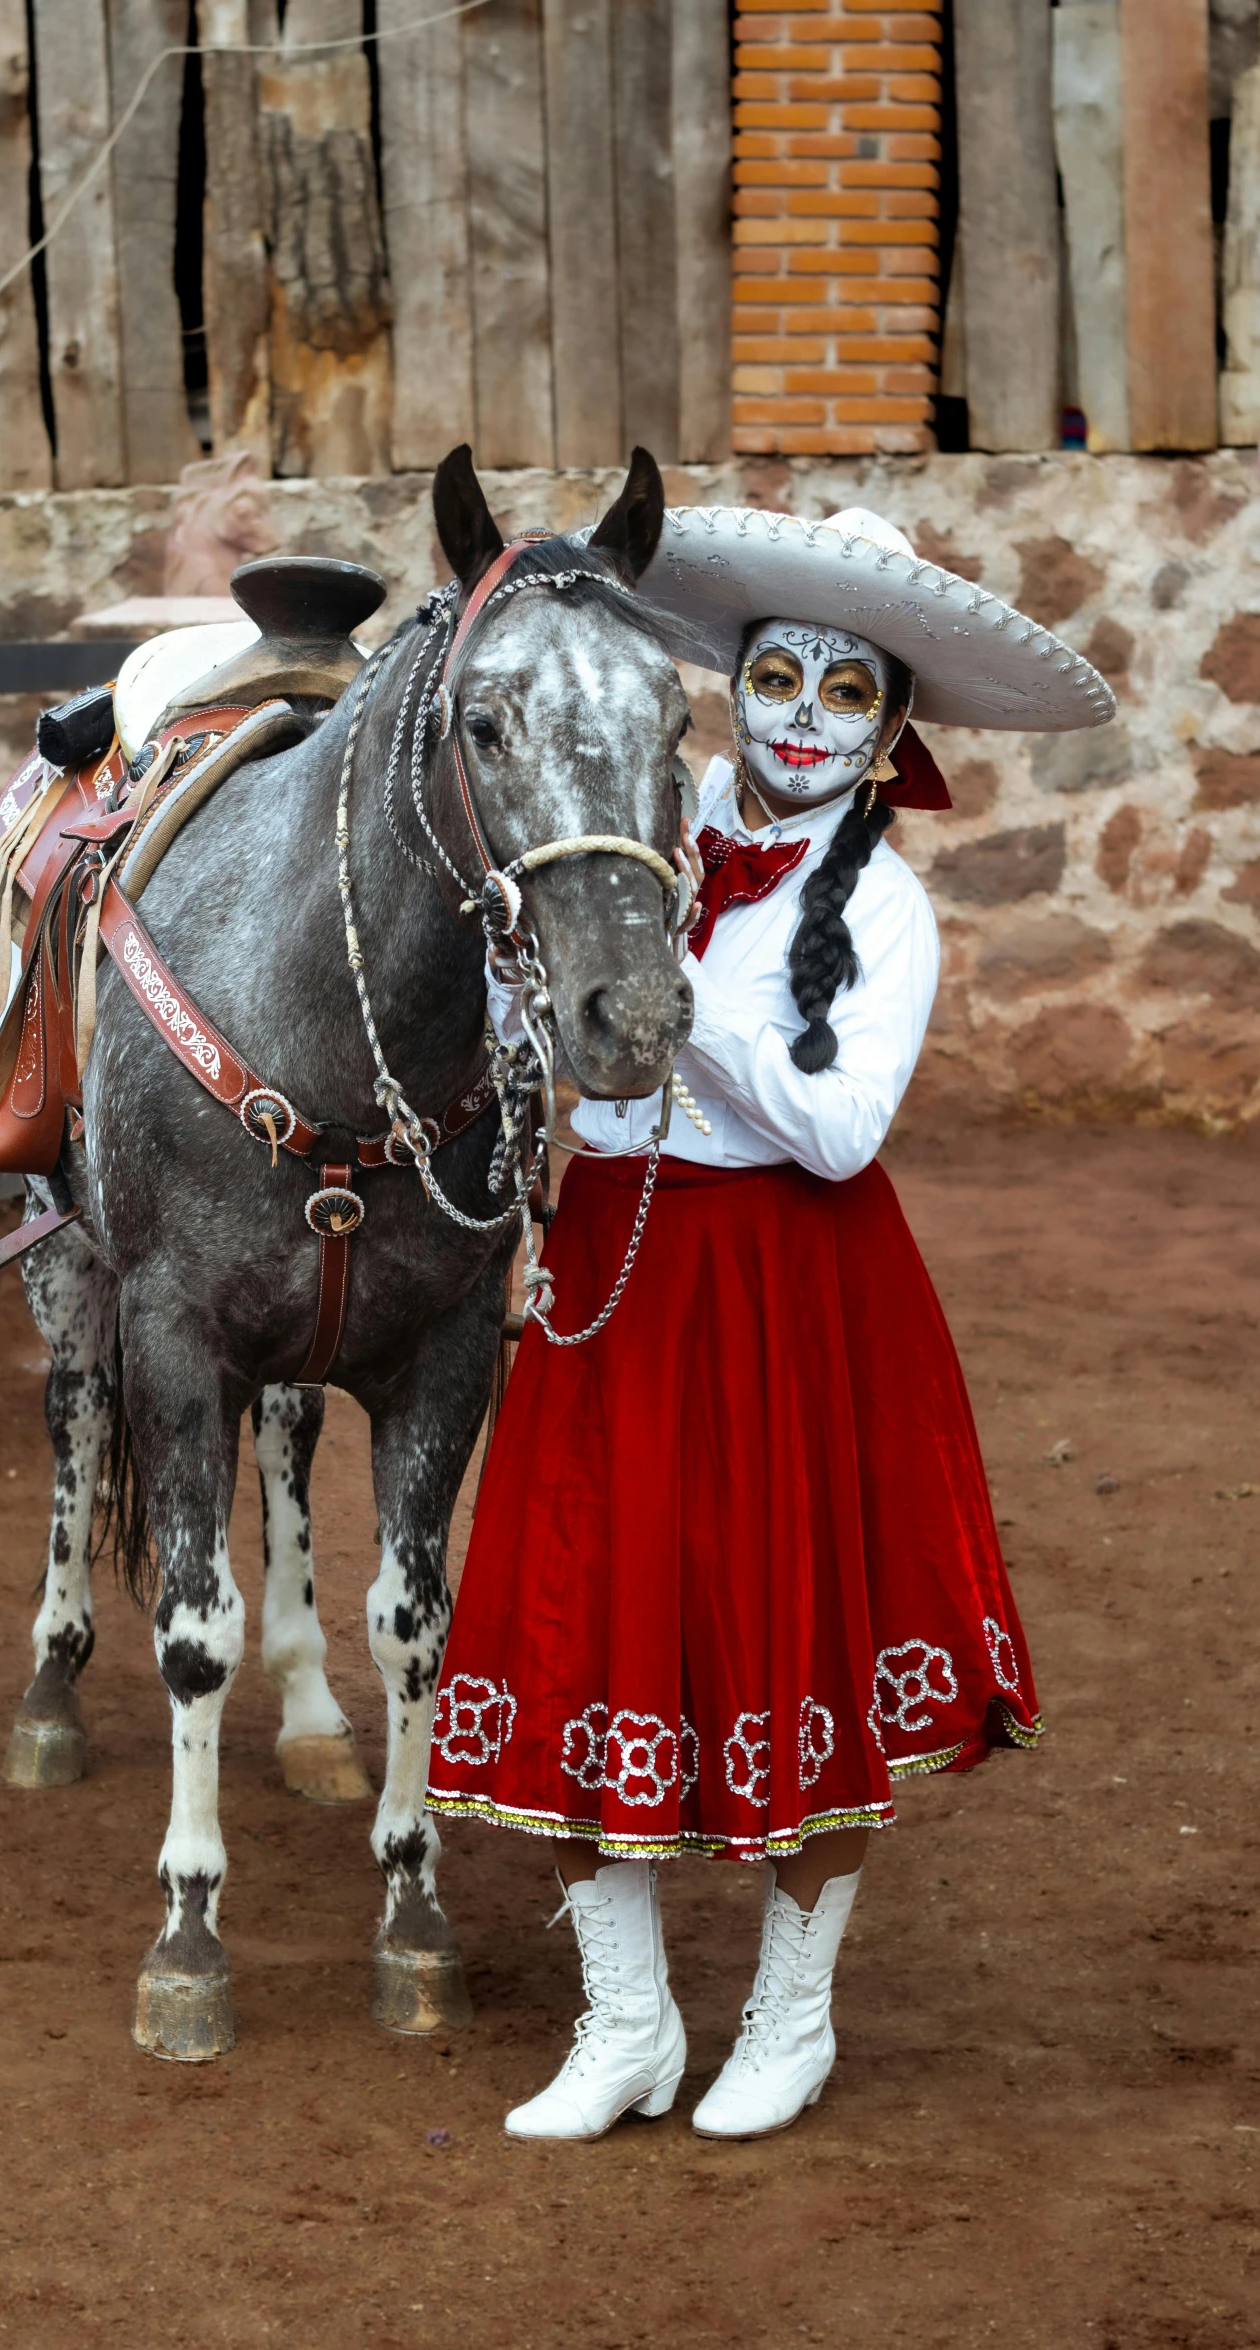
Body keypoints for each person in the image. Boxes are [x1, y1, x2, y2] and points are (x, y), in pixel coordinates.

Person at [425, 504, 1116, 2142]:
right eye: (778, 676)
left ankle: (789, 2018)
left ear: (886, 733)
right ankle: (625, 2023)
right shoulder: (633, 840)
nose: (801, 713)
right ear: (731, 684)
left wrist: (681, 1014)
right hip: (611, 1264)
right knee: (577, 1616)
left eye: (845, 691)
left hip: (789, 1289)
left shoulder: (886, 915)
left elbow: (840, 1129)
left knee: (790, 1629)